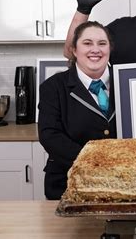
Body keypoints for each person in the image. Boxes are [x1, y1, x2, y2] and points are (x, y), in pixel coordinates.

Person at [38, 21, 116, 200]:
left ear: (110, 49)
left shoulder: (127, 83)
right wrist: (93, 164)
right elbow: (50, 135)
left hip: (119, 182)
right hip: (68, 181)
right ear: (74, 50)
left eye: (102, 44)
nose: (95, 49)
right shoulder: (53, 87)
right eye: (87, 43)